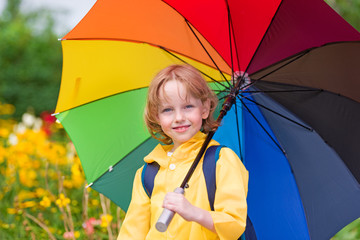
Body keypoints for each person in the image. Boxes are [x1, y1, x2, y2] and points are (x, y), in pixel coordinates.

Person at [117, 64, 248, 240]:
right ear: (157, 116)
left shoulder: (221, 161)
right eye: (168, 109)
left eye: (188, 106)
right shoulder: (148, 172)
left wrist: (194, 213)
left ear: (205, 108)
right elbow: (132, 234)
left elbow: (234, 224)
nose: (179, 117)